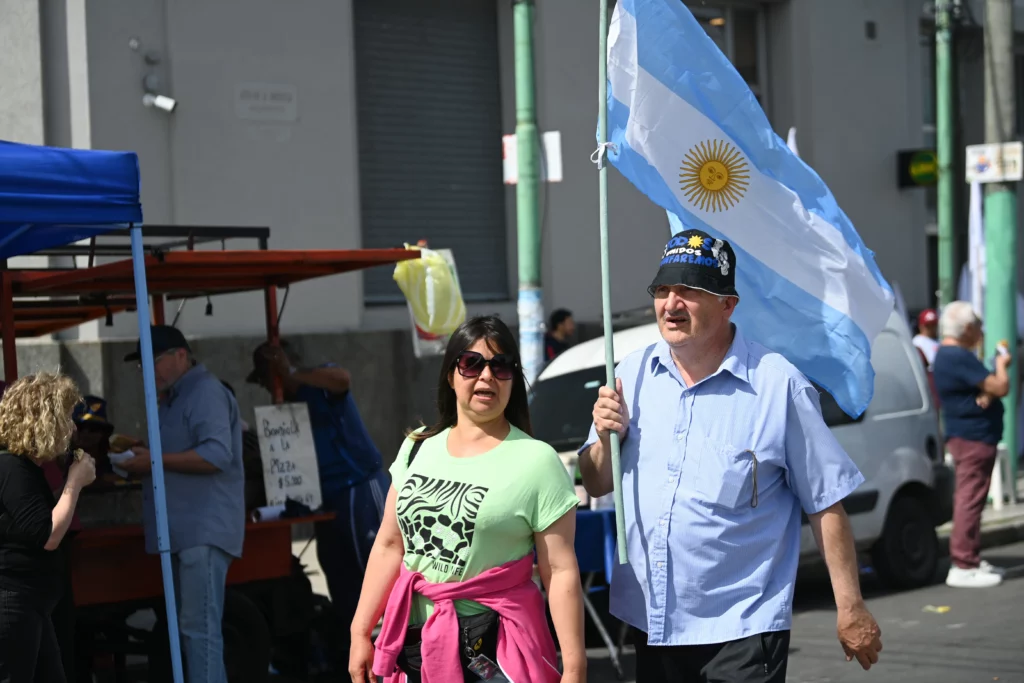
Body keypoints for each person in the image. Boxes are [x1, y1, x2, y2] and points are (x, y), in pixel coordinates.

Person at [579, 230, 883, 682]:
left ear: (728, 304)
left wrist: (851, 607)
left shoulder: (778, 385)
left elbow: (825, 501)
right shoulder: (631, 372)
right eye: (663, 290)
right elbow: (597, 481)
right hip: (651, 620)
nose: (672, 304)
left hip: (742, 626)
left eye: (690, 291)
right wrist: (605, 438)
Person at [348, 316, 585, 683]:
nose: (487, 376)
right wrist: (361, 631)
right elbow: (390, 545)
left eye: (501, 365)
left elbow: (559, 570)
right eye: (471, 363)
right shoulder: (417, 447)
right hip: (416, 644)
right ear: (450, 374)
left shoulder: (537, 460)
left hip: (493, 649)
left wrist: (574, 667)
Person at [246, 339, 388, 668]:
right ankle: (351, 656)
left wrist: (293, 372)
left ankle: (389, 657)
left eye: (270, 378)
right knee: (338, 575)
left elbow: (342, 379)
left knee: (370, 574)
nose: (269, 386)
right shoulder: (289, 407)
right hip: (326, 500)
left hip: (358, 490)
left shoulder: (320, 381)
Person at [118, 325, 245, 683]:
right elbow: (184, 450)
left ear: (180, 356)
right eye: (142, 364)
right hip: (185, 532)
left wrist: (153, 459)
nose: (148, 371)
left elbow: (217, 454)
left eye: (152, 361)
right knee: (190, 631)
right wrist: (144, 452)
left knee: (198, 631)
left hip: (201, 532)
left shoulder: (204, 391)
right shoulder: (176, 396)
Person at [0, 372, 97, 683]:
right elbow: (47, 536)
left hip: (31, 603)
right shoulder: (13, 468)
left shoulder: (24, 467)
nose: (72, 428)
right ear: (44, 421)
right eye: (65, 418)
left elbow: (34, 520)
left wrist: (70, 484)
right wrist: (74, 483)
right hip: (13, 603)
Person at [931, 302, 1011, 588]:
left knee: (972, 498)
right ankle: (963, 563)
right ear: (966, 329)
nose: (981, 330)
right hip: (973, 436)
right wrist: (1002, 365)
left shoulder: (949, 356)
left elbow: (983, 389)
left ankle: (971, 558)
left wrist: (986, 392)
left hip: (969, 435)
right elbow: (1000, 386)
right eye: (977, 324)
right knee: (970, 499)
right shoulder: (957, 356)